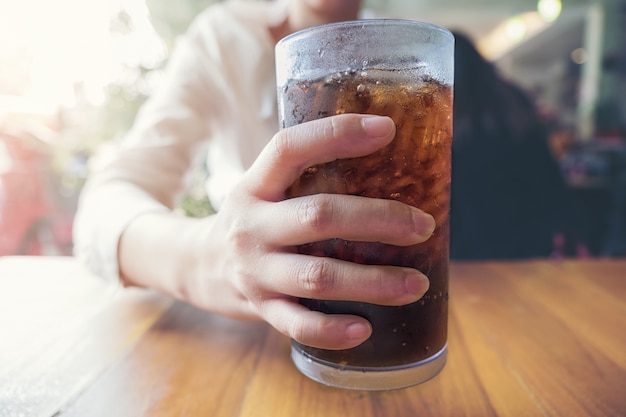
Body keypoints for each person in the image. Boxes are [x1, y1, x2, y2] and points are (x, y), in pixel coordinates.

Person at [73, 0, 435, 352]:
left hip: (404, 320)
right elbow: (103, 210)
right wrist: (207, 256)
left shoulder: (413, 55)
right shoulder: (223, 38)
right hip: (248, 341)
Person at [449, 32, 585, 260]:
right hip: (526, 243)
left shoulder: (445, 113)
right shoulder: (511, 99)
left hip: (465, 252)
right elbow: (548, 179)